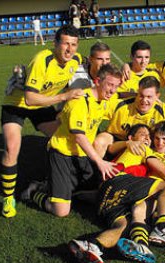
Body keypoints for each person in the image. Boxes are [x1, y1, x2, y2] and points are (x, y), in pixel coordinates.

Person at [68, 124, 165, 263]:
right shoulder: (140, 147)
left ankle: (93, 245)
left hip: (107, 196)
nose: (147, 138)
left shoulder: (130, 151)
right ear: (131, 138)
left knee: (123, 226)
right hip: (120, 181)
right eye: (142, 134)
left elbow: (112, 149)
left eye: (148, 136)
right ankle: (162, 227)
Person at [0, 25, 83, 218]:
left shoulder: (76, 60)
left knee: (63, 139)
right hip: (17, 103)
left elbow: (88, 76)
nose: (69, 49)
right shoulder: (42, 59)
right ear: (55, 44)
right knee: (12, 147)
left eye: (74, 44)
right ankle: (8, 197)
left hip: (43, 104)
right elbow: (29, 99)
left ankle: (50, 182)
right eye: (65, 44)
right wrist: (64, 98)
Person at [22, 64, 122, 217]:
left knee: (100, 192)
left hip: (81, 155)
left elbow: (123, 102)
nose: (113, 90)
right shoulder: (80, 101)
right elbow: (79, 136)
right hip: (62, 154)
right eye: (109, 84)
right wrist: (99, 161)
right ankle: (35, 192)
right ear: (97, 81)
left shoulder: (106, 99)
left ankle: (52, 185)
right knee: (61, 211)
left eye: (116, 86)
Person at [93, 76, 165, 158]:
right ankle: (95, 177)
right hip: (118, 142)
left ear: (157, 96)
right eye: (141, 95)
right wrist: (80, 92)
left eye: (149, 97)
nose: (144, 101)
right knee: (100, 140)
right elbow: (95, 102)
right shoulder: (120, 105)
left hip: (145, 146)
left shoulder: (163, 110)